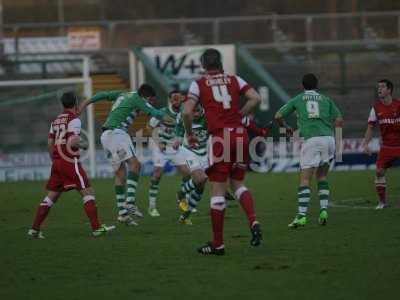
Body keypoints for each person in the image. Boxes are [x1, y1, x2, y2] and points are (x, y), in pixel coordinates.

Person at [183, 48, 262, 255]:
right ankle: (253, 221)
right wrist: (240, 115)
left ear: (203, 65)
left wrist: (189, 133)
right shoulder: (235, 79)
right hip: (240, 136)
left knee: (217, 189)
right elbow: (255, 98)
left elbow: (186, 111)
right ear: (220, 63)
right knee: (238, 184)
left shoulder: (199, 84)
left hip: (220, 138)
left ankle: (218, 244)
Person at [79, 84, 174, 225]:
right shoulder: (137, 99)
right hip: (117, 133)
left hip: (106, 135)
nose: (151, 102)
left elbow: (103, 94)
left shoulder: (123, 94)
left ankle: (122, 214)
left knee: (120, 174)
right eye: (151, 100)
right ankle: (130, 202)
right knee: (135, 164)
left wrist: (84, 104)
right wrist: (174, 120)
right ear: (146, 97)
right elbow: (155, 113)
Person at [28, 92, 115, 238]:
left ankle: (34, 230)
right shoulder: (74, 120)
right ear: (75, 103)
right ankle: (97, 228)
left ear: (62, 104)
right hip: (70, 162)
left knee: (51, 197)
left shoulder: (55, 121)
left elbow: (50, 143)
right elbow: (72, 142)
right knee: (88, 192)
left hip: (57, 162)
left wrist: (55, 160)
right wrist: (84, 144)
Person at [275, 73, 343, 228]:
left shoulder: (298, 99)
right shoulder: (326, 99)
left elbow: (278, 115)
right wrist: (336, 138)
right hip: (329, 139)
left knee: (305, 179)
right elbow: (339, 119)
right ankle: (324, 210)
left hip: (311, 140)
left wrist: (285, 128)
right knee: (322, 175)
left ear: (302, 86)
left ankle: (301, 216)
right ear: (317, 86)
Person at [147, 90, 191, 217]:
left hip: (174, 148)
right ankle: (152, 206)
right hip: (161, 147)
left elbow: (182, 130)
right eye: (174, 99)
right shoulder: (162, 112)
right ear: (171, 100)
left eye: (178, 98)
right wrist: (158, 142)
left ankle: (182, 199)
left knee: (188, 173)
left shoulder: (184, 113)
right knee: (157, 173)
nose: (177, 101)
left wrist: (179, 141)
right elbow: (149, 127)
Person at [362, 79, 400, 209]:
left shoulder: (398, 105)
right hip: (387, 147)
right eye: (378, 87)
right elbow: (370, 127)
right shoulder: (376, 108)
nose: (379, 89)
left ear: (389, 90)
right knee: (379, 172)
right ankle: (382, 202)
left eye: (383, 87)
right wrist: (365, 144)